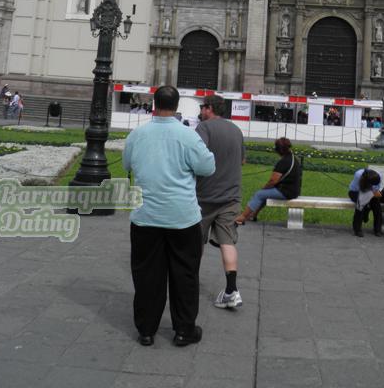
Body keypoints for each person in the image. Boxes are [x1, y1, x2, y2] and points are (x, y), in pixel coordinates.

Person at [123, 85, 215, 348]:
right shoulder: (187, 136)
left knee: (146, 275)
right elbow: (207, 167)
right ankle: (184, 330)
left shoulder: (137, 135)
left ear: (154, 104)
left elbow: (127, 164)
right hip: (182, 217)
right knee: (184, 274)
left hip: (146, 216)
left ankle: (146, 330)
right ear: (176, 106)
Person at [196, 95, 246, 310]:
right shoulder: (236, 130)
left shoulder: (204, 128)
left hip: (204, 197)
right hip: (231, 196)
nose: (200, 111)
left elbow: (197, 156)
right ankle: (231, 290)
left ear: (209, 109)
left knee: (195, 242)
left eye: (202, 107)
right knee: (228, 242)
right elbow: (242, 160)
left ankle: (190, 281)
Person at [235, 137, 301, 224]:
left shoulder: (283, 162)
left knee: (259, 194)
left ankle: (242, 217)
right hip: (294, 191)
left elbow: (273, 181)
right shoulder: (293, 158)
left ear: (278, 150)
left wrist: (264, 188)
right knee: (265, 195)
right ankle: (253, 215)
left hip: (286, 192)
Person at [348, 167, 382, 237]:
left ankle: (378, 229)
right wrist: (370, 195)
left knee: (377, 206)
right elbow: (360, 191)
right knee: (360, 204)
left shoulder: (378, 177)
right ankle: (357, 229)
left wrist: (375, 193)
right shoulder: (358, 175)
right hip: (355, 192)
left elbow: (376, 190)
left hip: (371, 192)